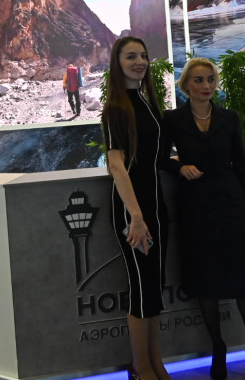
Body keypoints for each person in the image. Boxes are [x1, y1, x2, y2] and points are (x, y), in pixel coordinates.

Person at [162, 58, 245, 380]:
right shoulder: (173, 119)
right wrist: (179, 166)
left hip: (231, 206)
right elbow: (158, 158)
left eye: (211, 79)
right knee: (205, 283)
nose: (207, 85)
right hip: (194, 208)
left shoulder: (229, 118)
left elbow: (241, 167)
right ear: (186, 85)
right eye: (199, 80)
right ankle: (218, 348)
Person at [101, 37, 170, 380]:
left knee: (153, 289)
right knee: (142, 289)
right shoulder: (115, 108)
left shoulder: (145, 102)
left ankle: (156, 362)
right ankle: (141, 367)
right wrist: (137, 217)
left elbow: (155, 158)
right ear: (118, 63)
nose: (140, 61)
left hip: (155, 206)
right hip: (134, 211)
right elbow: (117, 165)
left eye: (143, 55)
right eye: (131, 56)